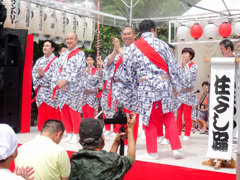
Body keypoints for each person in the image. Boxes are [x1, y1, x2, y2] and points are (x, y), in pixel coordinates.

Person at [118, 19, 184, 159]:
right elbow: (173, 66)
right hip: (164, 84)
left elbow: (128, 71)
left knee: (149, 119)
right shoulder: (163, 44)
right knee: (169, 116)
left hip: (145, 86)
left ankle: (152, 152)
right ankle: (176, 149)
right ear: (153, 30)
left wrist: (136, 89)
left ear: (140, 33)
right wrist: (176, 86)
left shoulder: (133, 48)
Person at [68, 113, 136, 180]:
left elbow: (107, 160)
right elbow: (131, 157)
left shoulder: (75, 159)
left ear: (80, 142)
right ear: (103, 141)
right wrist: (130, 129)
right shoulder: (112, 160)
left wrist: (116, 143)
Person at [106, 26, 140, 146]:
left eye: (129, 34)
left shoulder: (137, 49)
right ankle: (121, 141)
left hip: (130, 89)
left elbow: (131, 61)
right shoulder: (118, 50)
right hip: (117, 89)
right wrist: (115, 51)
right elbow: (108, 63)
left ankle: (130, 143)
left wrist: (119, 50)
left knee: (130, 117)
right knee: (119, 117)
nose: (126, 36)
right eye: (124, 34)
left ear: (135, 35)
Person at [52, 32, 86, 143]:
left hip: (74, 88)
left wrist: (65, 81)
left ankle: (76, 134)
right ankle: (69, 132)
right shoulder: (63, 54)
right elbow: (57, 69)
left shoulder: (80, 54)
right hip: (62, 88)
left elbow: (76, 71)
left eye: (71, 39)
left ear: (76, 40)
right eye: (67, 39)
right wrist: (59, 83)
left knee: (74, 110)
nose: (69, 41)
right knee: (64, 110)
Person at [32, 40, 61, 131]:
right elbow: (33, 73)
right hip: (41, 90)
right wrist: (37, 75)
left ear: (52, 49)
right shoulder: (39, 60)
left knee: (52, 113)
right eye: (44, 46)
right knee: (42, 113)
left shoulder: (56, 61)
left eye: (47, 46)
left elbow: (57, 76)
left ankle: (53, 133)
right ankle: (42, 132)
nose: (45, 47)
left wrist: (45, 74)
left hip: (51, 90)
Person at [175, 48, 198, 141]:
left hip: (188, 94)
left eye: (186, 53)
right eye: (183, 53)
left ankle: (187, 134)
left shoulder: (194, 66)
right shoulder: (178, 65)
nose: (183, 55)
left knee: (187, 115)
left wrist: (185, 67)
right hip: (179, 94)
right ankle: (178, 132)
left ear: (190, 56)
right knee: (178, 115)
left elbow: (188, 80)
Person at [82, 53, 103, 119]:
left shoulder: (96, 70)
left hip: (92, 95)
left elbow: (100, 76)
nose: (89, 61)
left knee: (90, 112)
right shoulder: (83, 70)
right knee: (84, 113)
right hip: (83, 95)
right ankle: (85, 128)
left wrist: (100, 66)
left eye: (91, 60)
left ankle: (91, 128)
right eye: (87, 60)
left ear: (93, 61)